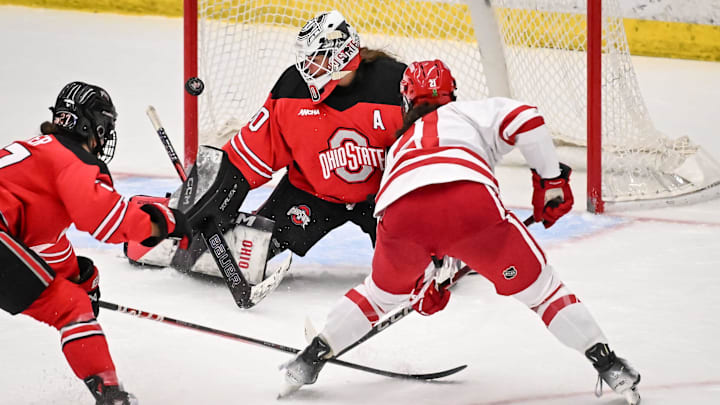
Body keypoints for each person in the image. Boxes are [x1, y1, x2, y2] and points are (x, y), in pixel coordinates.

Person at [279, 60, 642, 405]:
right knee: (544, 293)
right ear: (451, 94)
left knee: (377, 297)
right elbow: (527, 119)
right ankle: (609, 365)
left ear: (406, 99)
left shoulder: (399, 146)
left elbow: (424, 213)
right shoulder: (470, 113)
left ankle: (311, 357)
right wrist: (550, 180)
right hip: (470, 202)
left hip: (399, 216)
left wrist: (425, 279)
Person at [127, 10, 407, 298]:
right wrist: (210, 198)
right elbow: (246, 155)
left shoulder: (395, 86)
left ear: (343, 54)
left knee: (411, 272)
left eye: (317, 57)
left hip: (381, 200)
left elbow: (429, 152)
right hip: (310, 194)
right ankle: (164, 223)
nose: (307, 66)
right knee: (239, 255)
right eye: (307, 57)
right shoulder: (292, 90)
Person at [0, 81, 191, 404]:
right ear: (94, 124)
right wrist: (166, 222)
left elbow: (45, 242)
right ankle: (112, 397)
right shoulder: (74, 159)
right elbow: (106, 221)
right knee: (71, 309)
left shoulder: (37, 149)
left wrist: (80, 277)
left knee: (72, 298)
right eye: (106, 127)